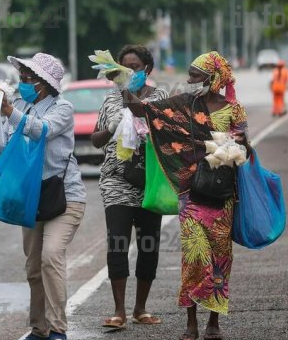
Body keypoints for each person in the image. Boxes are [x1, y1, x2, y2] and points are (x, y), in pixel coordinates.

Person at [124, 51, 250, 340]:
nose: (190, 80)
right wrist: (125, 86)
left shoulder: (234, 110)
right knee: (194, 256)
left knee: (220, 257)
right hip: (190, 195)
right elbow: (145, 111)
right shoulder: (183, 105)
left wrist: (227, 145)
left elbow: (244, 150)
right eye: (190, 74)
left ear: (212, 78)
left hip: (222, 195)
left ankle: (213, 322)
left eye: (195, 76)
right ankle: (191, 322)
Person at [0, 52, 87, 340]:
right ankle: (39, 328)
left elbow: (41, 131)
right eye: (21, 77)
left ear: (44, 84)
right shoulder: (21, 104)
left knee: (50, 257)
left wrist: (11, 113)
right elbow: (1, 145)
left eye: (28, 78)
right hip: (33, 197)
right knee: (33, 267)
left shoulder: (63, 108)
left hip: (65, 197)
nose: (22, 83)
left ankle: (58, 328)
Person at [90, 45, 168, 329]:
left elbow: (166, 132)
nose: (129, 71)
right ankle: (119, 311)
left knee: (149, 244)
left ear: (147, 69)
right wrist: (110, 127)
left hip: (150, 182)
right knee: (117, 243)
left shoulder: (160, 97)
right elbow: (96, 140)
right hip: (116, 179)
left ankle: (140, 308)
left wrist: (131, 100)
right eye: (124, 67)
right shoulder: (110, 98)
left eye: (134, 67)